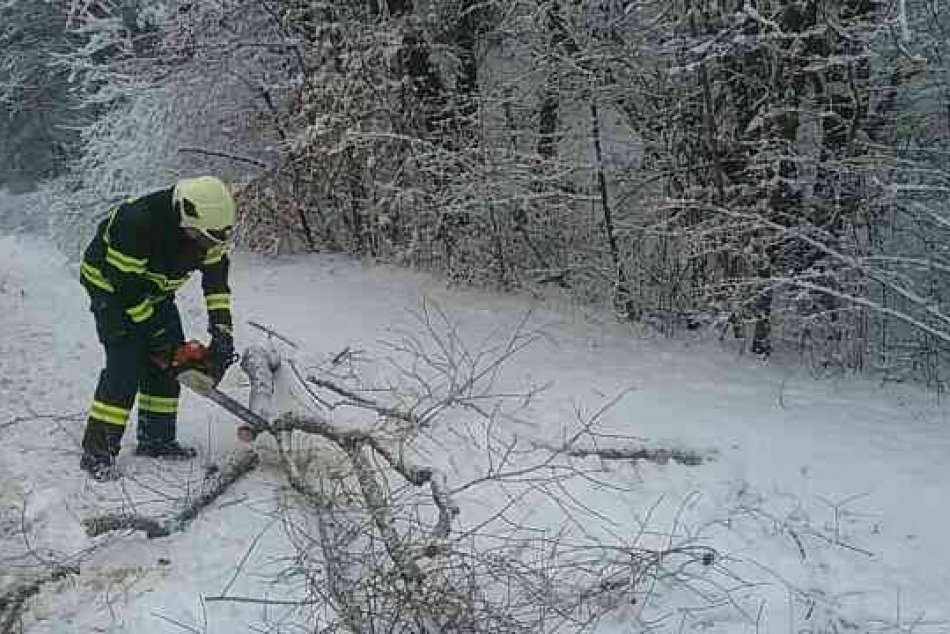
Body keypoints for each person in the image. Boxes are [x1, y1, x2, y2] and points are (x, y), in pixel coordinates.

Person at [78, 176, 238, 481]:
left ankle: (156, 439)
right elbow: (127, 291)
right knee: (126, 361)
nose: (210, 245)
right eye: (204, 239)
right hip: (110, 288)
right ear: (185, 217)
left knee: (168, 362)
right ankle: (97, 452)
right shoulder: (136, 223)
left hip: (155, 291)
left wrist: (222, 332)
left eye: (215, 240)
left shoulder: (211, 232)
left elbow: (216, 284)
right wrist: (158, 338)